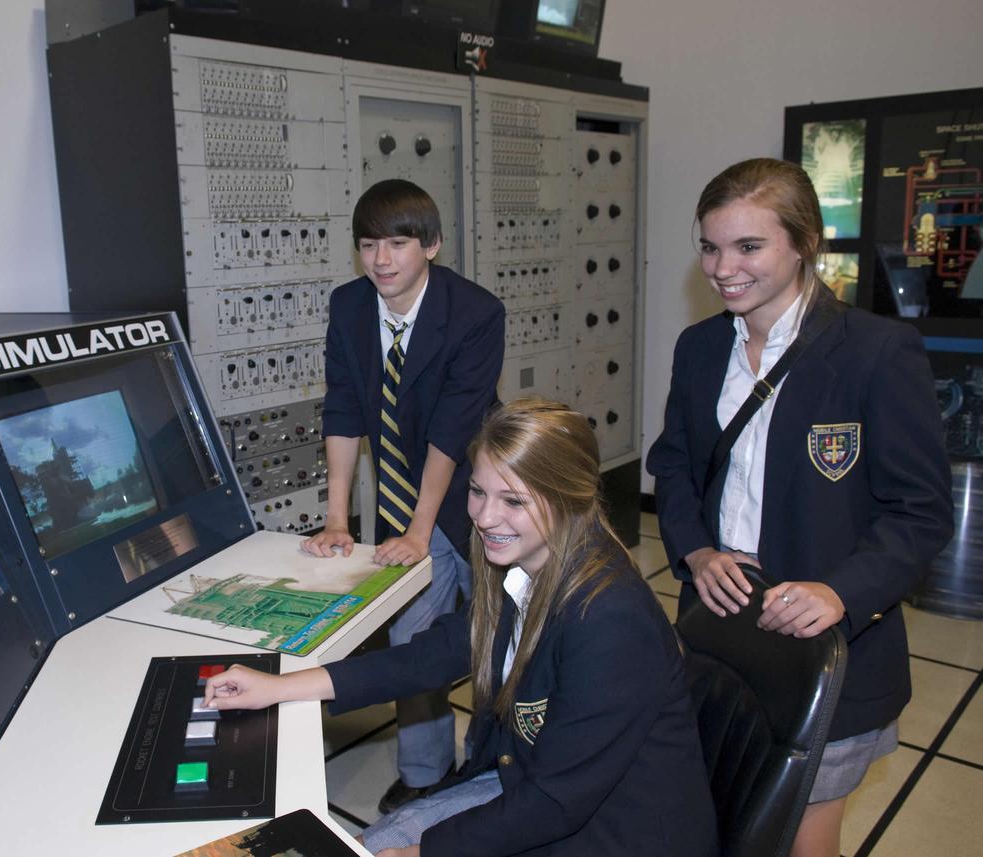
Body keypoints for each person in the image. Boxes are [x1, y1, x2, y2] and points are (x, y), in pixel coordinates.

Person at [208, 398, 719, 856]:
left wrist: (422, 854)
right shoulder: (524, 567)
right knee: (366, 843)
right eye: (477, 491)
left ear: (573, 498)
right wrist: (283, 686)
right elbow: (433, 653)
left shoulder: (609, 620)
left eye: (513, 500)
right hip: (534, 783)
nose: (484, 516)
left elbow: (556, 803)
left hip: (615, 833)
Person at [647, 158, 953, 857]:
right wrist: (696, 551)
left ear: (806, 241)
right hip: (719, 633)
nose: (724, 267)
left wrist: (839, 591)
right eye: (709, 246)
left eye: (748, 247)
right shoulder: (699, 349)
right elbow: (672, 465)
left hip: (829, 653)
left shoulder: (876, 353)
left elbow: (921, 511)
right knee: (716, 820)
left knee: (797, 843)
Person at [301, 178, 505, 813]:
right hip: (399, 499)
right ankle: (425, 776)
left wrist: (421, 533)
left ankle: (498, 764)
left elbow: (453, 428)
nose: (382, 260)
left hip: (476, 494)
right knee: (415, 644)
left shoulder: (475, 313)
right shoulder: (350, 307)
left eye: (398, 243)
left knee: (507, 638)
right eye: (368, 244)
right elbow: (342, 410)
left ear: (433, 245)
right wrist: (338, 518)